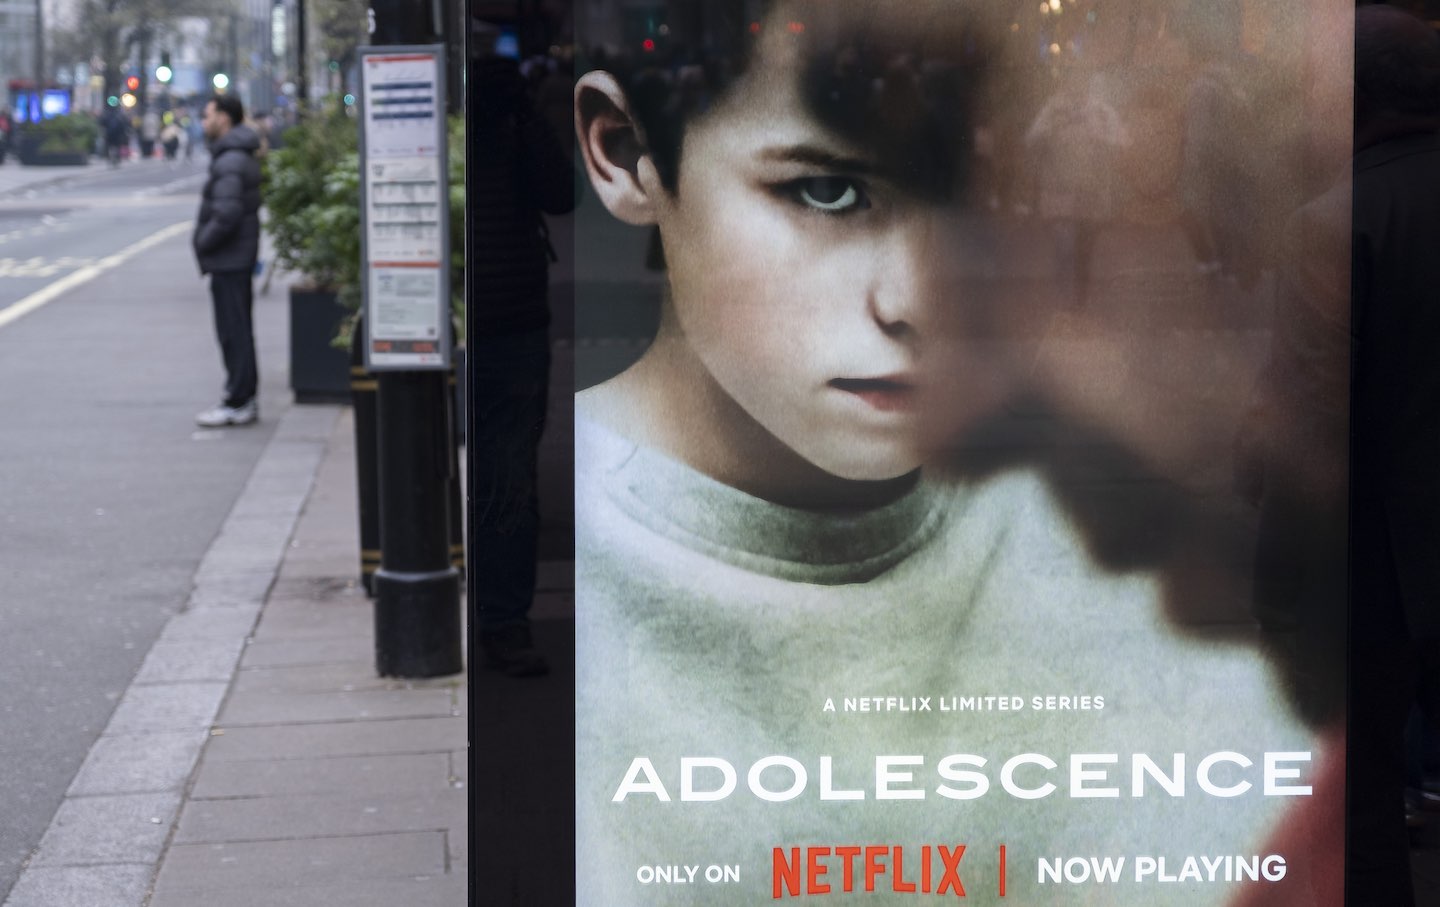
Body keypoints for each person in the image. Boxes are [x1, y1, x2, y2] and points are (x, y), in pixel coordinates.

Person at [570, 2, 1323, 903]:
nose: (918, 299)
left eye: (973, 199)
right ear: (623, 153)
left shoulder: (1116, 554)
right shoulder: (587, 566)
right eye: (828, 193)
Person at [469, 54, 576, 677]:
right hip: (508, 322)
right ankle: (503, 621)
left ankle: (502, 617)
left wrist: (524, 118)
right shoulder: (510, 130)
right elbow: (561, 195)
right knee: (507, 479)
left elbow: (560, 195)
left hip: (505, 325)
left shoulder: (512, 133)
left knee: (504, 478)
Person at [192, 94, 263, 428]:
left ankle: (238, 400)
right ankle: (241, 397)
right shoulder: (235, 155)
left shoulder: (230, 160)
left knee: (233, 332)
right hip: (235, 257)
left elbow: (228, 212)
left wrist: (204, 243)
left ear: (224, 118)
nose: (203, 122)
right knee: (237, 330)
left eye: (207, 116)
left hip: (230, 258)